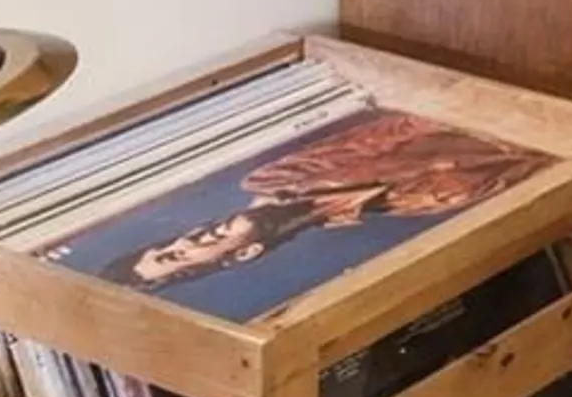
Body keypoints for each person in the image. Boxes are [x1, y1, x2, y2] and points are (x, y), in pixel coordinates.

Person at [100, 110, 548, 290]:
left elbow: (401, 124)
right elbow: (514, 176)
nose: (192, 235)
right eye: (179, 255)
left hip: (508, 110)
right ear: (243, 256)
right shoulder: (385, 217)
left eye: (169, 241)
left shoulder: (277, 178)